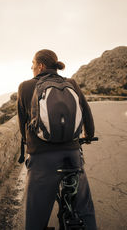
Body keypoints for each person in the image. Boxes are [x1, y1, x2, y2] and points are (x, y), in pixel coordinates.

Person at [17, 49, 97, 230]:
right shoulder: (71, 83)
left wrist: (28, 143)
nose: (31, 67)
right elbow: (86, 112)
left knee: (36, 213)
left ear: (41, 66)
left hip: (42, 158)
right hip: (72, 153)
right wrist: (89, 135)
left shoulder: (25, 87)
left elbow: (22, 124)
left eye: (32, 63)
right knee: (85, 205)